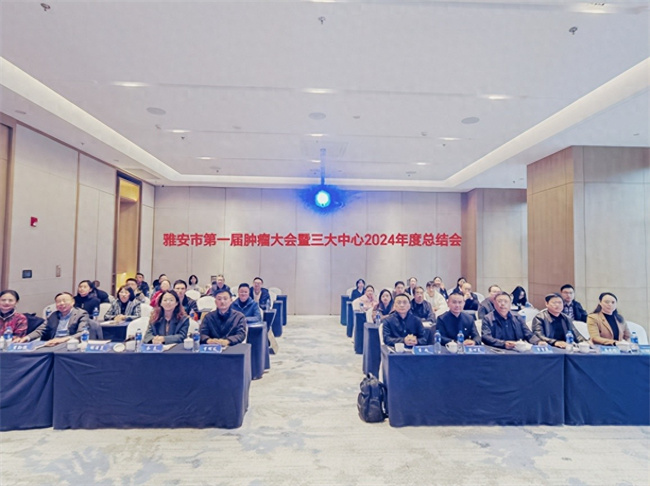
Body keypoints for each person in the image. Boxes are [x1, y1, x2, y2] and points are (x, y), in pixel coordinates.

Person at [21, 292, 89, 345]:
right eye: (58, 302)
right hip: (53, 343)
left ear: (72, 302)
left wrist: (63, 340)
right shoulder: (53, 315)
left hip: (70, 343)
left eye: (65, 300)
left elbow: (82, 332)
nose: (61, 303)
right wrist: (27, 338)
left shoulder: (81, 314)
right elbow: (41, 329)